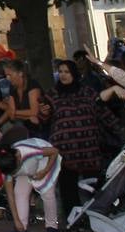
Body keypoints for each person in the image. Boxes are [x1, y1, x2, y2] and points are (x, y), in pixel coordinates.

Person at [47, 59, 114, 222]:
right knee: (68, 187)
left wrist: (117, 129)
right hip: (65, 149)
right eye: (60, 71)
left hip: (88, 147)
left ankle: (97, 216)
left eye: (66, 72)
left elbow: (102, 112)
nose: (63, 75)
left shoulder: (87, 92)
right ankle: (73, 219)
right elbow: (45, 117)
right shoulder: (52, 94)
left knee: (93, 185)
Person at [0, 130, 62, 232]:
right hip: (27, 170)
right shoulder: (6, 167)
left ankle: (52, 227)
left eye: (14, 170)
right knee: (19, 193)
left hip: (45, 162)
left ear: (18, 158)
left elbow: (54, 151)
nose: (13, 174)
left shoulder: (28, 151)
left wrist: (44, 171)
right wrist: (16, 221)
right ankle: (21, 229)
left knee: (48, 194)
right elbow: (10, 196)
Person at [0, 60, 47, 137]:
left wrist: (15, 112)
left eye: (9, 75)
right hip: (23, 123)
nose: (7, 78)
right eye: (6, 75)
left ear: (20, 73)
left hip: (39, 125)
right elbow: (11, 115)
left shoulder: (32, 85)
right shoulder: (12, 87)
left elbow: (34, 112)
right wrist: (26, 115)